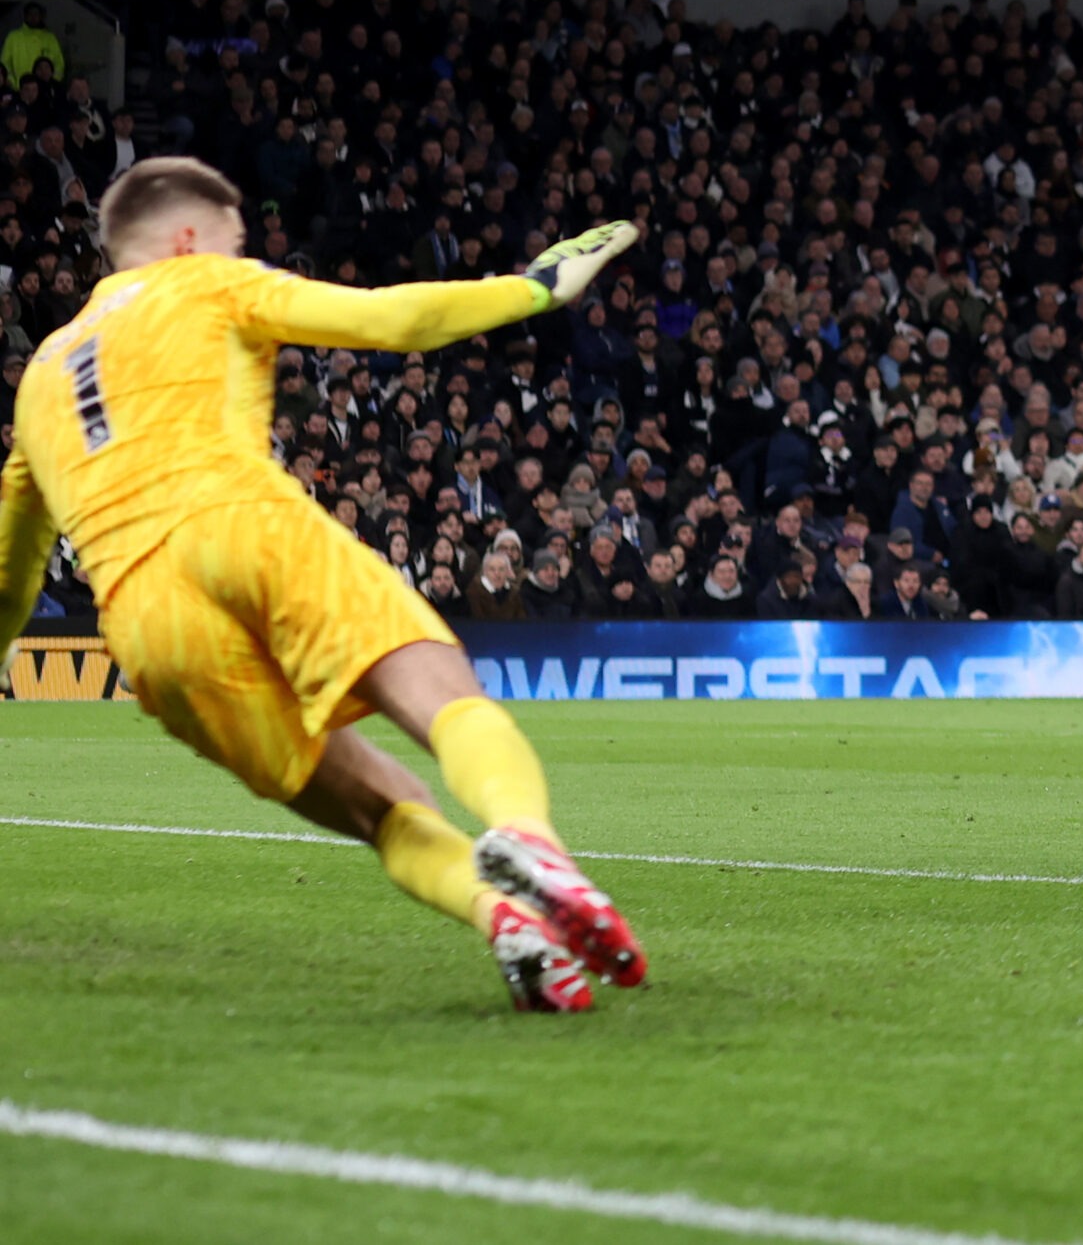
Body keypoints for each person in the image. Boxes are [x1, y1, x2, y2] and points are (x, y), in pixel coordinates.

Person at [0, 159, 649, 1012]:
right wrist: (531, 288)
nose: (245, 252)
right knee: (438, 691)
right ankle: (530, 842)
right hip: (238, 518)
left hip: (145, 627)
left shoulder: (41, 375)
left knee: (383, 810)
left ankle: (505, 919)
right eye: (239, 240)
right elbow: (398, 318)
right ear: (191, 238)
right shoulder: (204, 280)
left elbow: (11, 578)